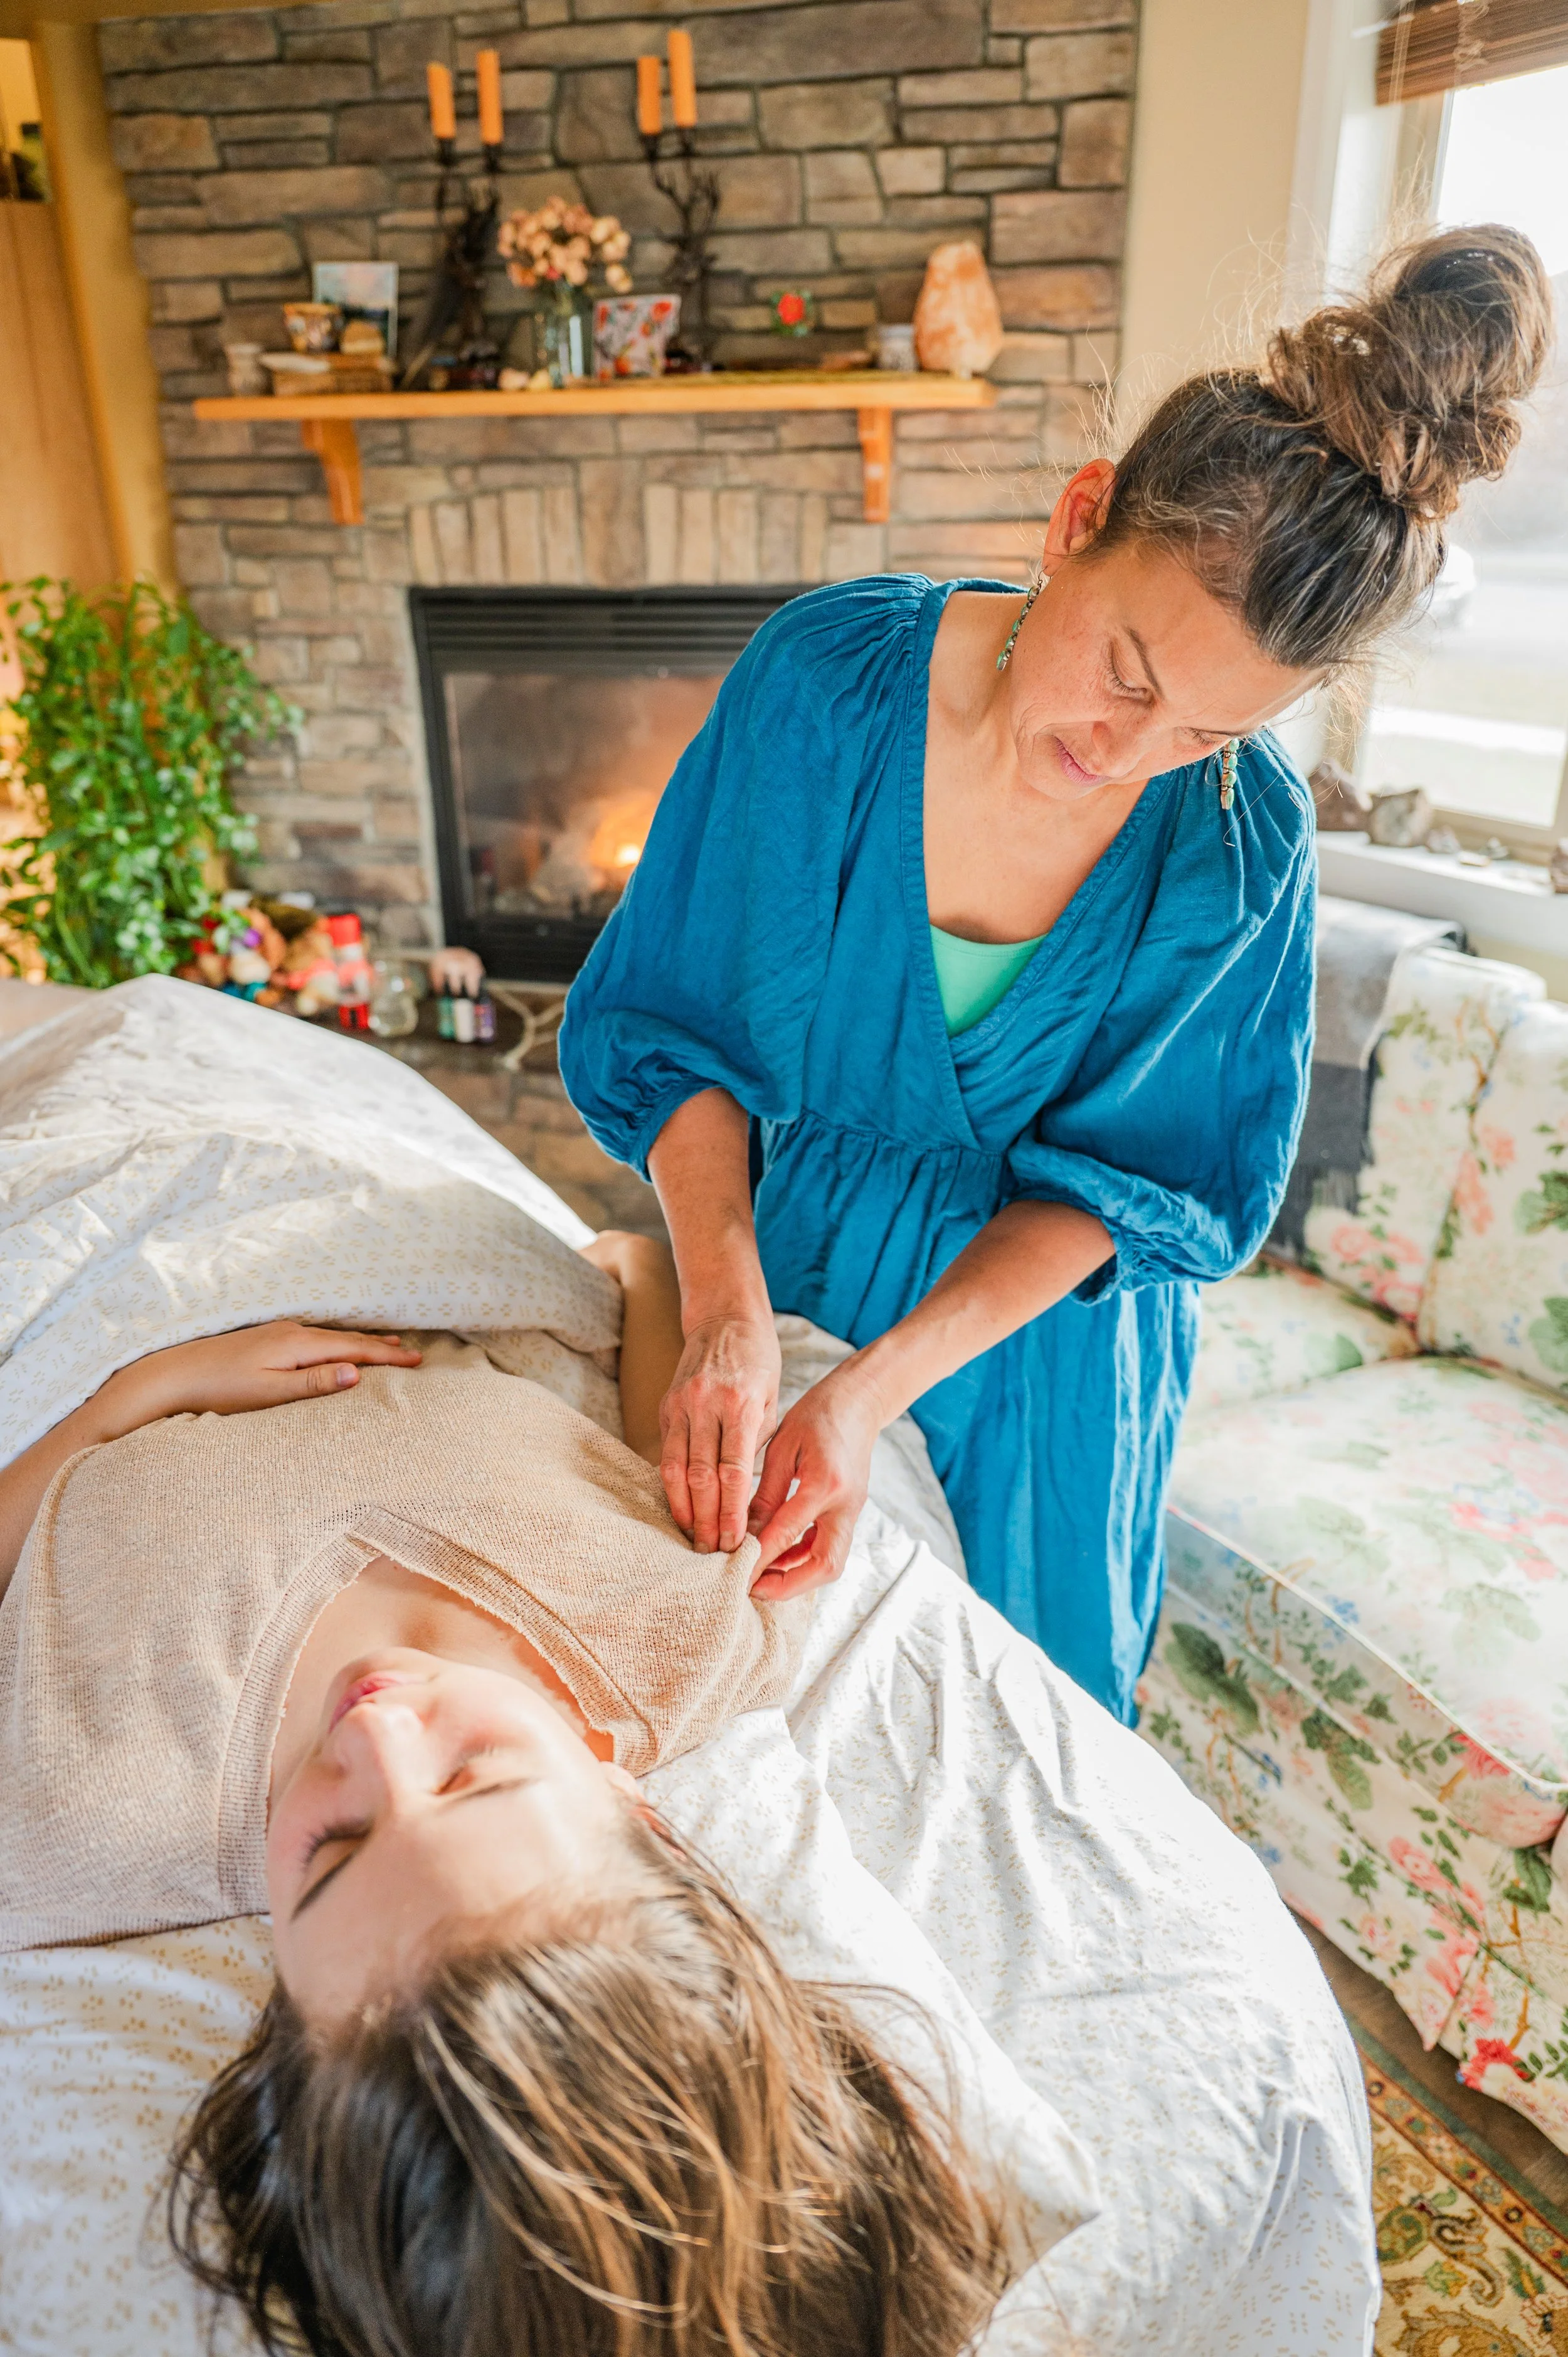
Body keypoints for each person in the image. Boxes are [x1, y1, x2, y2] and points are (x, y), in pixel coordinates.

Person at [560, 226, 1554, 1720]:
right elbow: (677, 1033)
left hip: (1042, 1376)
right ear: (1077, 515)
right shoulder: (822, 688)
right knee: (733, 1722)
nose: (1126, 755)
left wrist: (870, 1393)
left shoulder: (1234, 843)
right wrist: (725, 1307)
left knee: (996, 1762)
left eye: (1204, 735)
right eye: (1129, 677)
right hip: (779, 1274)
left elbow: (1125, 1192)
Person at [0, 1239, 1007, 2357]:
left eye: (332, 1853)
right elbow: (640, 1284)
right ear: (641, 1815)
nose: (375, 1726)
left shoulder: (62, 1826)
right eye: (476, 1779)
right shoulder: (699, 1626)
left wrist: (129, 1401)